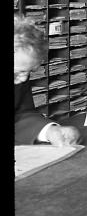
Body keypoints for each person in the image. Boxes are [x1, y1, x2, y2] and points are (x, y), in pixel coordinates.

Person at [15, 13, 82, 145]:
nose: (23, 79)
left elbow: (22, 114)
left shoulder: (19, 74)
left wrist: (49, 131)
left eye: (29, 72)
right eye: (19, 72)